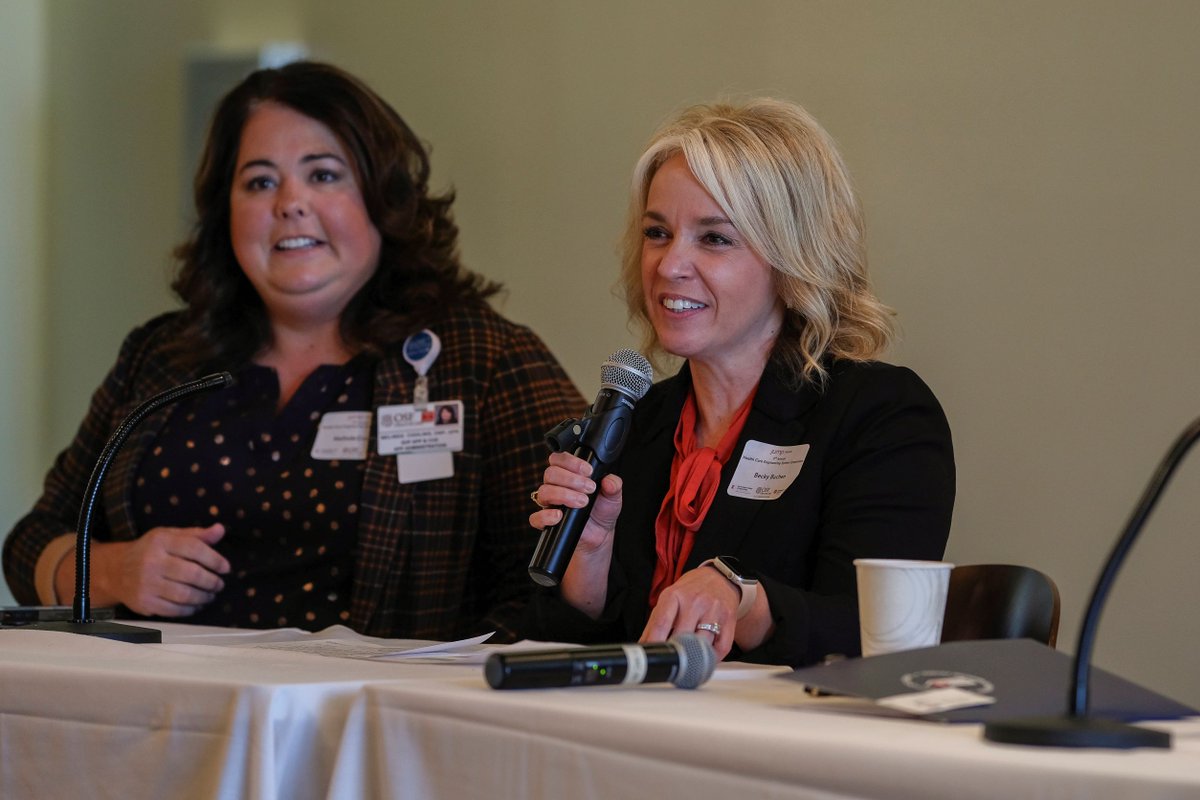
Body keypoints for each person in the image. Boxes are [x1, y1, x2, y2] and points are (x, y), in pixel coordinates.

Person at [2, 61, 583, 642]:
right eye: (259, 181)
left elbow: (561, 581)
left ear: (382, 196)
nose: (289, 203)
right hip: (162, 718)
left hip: (375, 723)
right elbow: (33, 539)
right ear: (224, 212)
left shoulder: (482, 358)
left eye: (324, 175)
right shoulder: (161, 357)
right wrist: (109, 571)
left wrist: (438, 701)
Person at [525, 99, 955, 667]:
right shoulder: (639, 421)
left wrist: (744, 600)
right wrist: (590, 566)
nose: (669, 265)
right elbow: (602, 641)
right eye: (658, 232)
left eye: (715, 239)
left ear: (793, 257)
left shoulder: (880, 416)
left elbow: (876, 635)